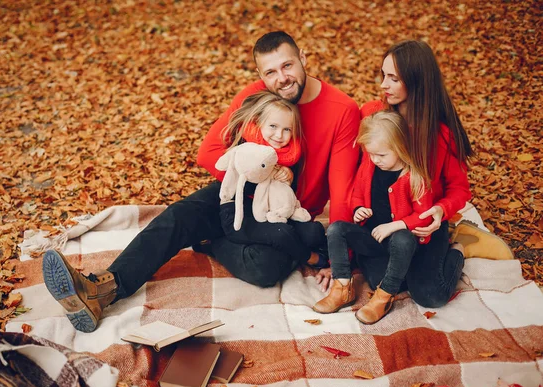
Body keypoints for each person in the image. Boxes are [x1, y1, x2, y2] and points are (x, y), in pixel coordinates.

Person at [42, 31, 360, 333]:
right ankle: (102, 288)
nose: (282, 78)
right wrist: (253, 176)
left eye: (288, 65)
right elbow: (208, 153)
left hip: (287, 214)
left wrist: (339, 261)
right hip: (241, 193)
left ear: (303, 58)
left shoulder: (342, 110)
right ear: (261, 75)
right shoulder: (255, 97)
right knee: (180, 215)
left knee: (266, 269)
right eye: (271, 72)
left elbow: (342, 188)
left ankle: (211, 240)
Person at [315, 39, 512, 308]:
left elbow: (460, 189)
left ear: (417, 80)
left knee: (431, 295)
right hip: (383, 224)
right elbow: (356, 176)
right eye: (383, 75)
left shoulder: (441, 134)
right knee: (381, 281)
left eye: (394, 78)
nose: (384, 85)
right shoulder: (373, 114)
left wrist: (442, 210)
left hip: (421, 226)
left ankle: (458, 247)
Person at [313, 110, 434, 324]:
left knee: (402, 239)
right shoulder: (370, 165)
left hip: (401, 246)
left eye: (382, 155)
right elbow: (358, 193)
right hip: (374, 239)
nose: (375, 160)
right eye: (371, 154)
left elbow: (424, 217)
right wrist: (358, 208)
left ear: (400, 148)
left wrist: (395, 225)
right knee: (336, 229)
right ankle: (342, 287)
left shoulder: (415, 176)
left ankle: (384, 296)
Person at [217, 90, 329, 269]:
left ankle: (285, 249)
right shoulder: (247, 149)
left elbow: (287, 193)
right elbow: (242, 185)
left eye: (287, 130)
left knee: (314, 232)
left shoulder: (288, 155)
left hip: (273, 214)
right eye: (273, 127)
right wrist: (269, 171)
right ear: (259, 124)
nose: (279, 136)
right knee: (281, 234)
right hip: (241, 216)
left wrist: (289, 176)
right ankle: (309, 257)